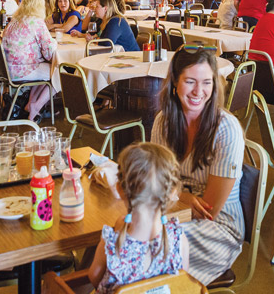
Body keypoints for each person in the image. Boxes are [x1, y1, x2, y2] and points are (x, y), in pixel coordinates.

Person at [151, 48, 244, 285]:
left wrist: (173, 197)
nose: (198, 91)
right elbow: (155, 183)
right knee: (117, 232)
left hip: (219, 229)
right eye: (190, 81)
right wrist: (181, 197)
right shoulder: (163, 121)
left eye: (206, 83)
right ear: (174, 83)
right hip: (171, 214)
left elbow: (207, 211)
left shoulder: (226, 129)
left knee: (146, 244)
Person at [88, 143, 190, 293]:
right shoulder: (178, 240)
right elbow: (181, 283)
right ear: (172, 192)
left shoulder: (112, 243)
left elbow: (94, 278)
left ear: (119, 189)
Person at [2, 0, 58, 121]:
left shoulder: (14, 21)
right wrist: (55, 42)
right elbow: (50, 52)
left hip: (7, 69)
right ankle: (36, 107)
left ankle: (30, 104)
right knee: (60, 72)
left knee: (46, 69)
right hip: (23, 70)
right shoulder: (36, 22)